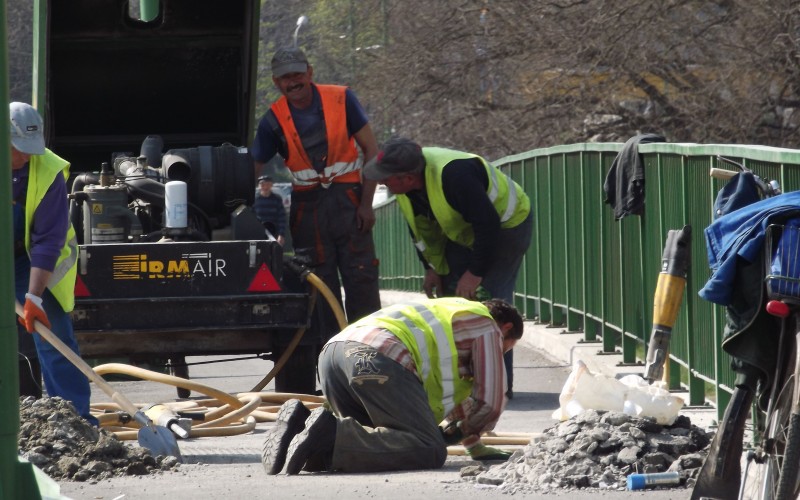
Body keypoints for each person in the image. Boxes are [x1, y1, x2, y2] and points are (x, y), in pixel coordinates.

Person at [261, 297, 523, 474]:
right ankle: (330, 432)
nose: (500, 355)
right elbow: (490, 401)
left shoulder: (448, 313)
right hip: (379, 356)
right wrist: (449, 436)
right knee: (428, 449)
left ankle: (300, 426)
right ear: (506, 328)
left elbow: (460, 405)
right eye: (506, 349)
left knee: (374, 443)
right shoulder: (487, 326)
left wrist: (473, 446)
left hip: (333, 355)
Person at [362, 137, 533, 398]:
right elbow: (422, 231)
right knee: (453, 302)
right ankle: (461, 384)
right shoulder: (408, 191)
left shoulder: (455, 175)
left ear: (408, 177)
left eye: (386, 177)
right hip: (465, 232)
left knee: (491, 305)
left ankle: (498, 386)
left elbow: (488, 225)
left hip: (506, 226)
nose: (382, 182)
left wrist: (474, 273)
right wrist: (433, 269)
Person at [251, 45, 381, 328]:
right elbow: (253, 168)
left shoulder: (341, 99)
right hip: (308, 211)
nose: (293, 82)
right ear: (276, 82)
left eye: (298, 74)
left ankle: (370, 352)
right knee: (319, 285)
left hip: (349, 202)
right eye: (285, 78)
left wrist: (366, 204)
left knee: (361, 277)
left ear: (310, 72)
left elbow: (372, 150)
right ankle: (332, 355)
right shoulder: (272, 121)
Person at [9, 102, 97, 425]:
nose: (26, 157)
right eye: (19, 150)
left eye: (31, 149)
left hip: (28, 259)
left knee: (52, 332)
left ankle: (77, 423)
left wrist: (33, 298)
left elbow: (48, 240)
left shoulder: (48, 172)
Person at [253, 175, 287, 246]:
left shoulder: (277, 199)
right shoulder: (255, 200)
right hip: (258, 234)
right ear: (259, 186)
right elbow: (250, 218)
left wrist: (281, 234)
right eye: (262, 184)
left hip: (274, 233)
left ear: (271, 185)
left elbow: (282, 218)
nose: (265, 187)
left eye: (268, 184)